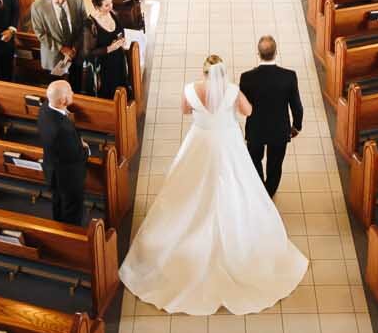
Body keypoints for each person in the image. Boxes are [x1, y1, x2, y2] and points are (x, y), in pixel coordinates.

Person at [119, 54, 309, 314]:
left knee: (190, 187)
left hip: (200, 141)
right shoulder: (232, 91)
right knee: (237, 185)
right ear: (223, 72)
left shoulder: (190, 89)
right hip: (227, 143)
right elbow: (248, 111)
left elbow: (185, 110)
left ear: (204, 72)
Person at [238, 37, 305, 200]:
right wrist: (296, 126)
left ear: (258, 53)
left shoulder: (246, 77)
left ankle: (259, 190)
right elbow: (297, 106)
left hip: (256, 129)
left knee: (254, 160)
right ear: (276, 53)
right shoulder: (289, 76)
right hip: (279, 130)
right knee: (275, 165)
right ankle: (269, 192)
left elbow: (244, 105)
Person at [35, 80, 88, 225]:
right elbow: (77, 156)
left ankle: (58, 228)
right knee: (72, 211)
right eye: (70, 92)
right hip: (67, 178)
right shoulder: (62, 130)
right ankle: (71, 235)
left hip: (52, 168)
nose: (73, 93)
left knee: (57, 203)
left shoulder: (45, 108)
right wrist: (85, 149)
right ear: (63, 101)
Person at [28, 0, 88, 80]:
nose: (60, 2)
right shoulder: (38, 7)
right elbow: (40, 33)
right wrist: (62, 49)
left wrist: (75, 47)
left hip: (76, 51)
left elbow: (84, 25)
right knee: (56, 82)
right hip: (54, 54)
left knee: (76, 80)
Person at [80, 0, 133, 100]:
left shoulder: (112, 13)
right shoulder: (90, 24)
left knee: (122, 87)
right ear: (97, 7)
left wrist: (121, 40)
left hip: (118, 59)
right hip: (104, 67)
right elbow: (88, 53)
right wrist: (110, 48)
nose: (111, 7)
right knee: (109, 93)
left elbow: (120, 30)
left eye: (111, 3)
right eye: (106, 5)